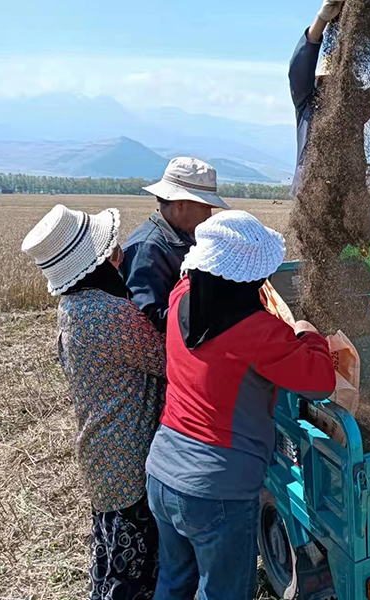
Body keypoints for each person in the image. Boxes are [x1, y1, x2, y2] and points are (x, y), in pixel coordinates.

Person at [144, 210, 336, 600]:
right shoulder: (260, 332)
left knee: (174, 582)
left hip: (162, 471)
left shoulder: (181, 298)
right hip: (217, 489)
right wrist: (307, 333)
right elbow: (321, 381)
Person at [21, 205, 166, 600]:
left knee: (109, 548)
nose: (119, 256)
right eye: (111, 252)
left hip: (99, 448)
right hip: (128, 455)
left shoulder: (72, 308)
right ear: (97, 264)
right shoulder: (110, 313)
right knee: (133, 566)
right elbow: (166, 360)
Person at [289, 0, 370, 322]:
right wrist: (322, 19)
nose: (338, 87)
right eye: (331, 81)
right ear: (320, 82)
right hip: (316, 204)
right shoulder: (307, 102)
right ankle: (314, 321)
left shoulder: (355, 109)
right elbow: (298, 66)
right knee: (320, 272)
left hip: (354, 204)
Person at [121, 157, 230, 332]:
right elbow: (150, 318)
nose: (209, 216)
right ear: (180, 205)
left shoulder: (183, 237)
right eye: (205, 208)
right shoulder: (148, 249)